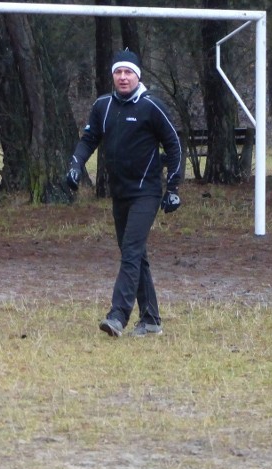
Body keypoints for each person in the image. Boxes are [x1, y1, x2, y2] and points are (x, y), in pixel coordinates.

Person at [65, 49, 182, 338]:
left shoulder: (151, 106)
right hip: (120, 193)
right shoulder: (103, 106)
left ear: (137, 76)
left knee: (130, 251)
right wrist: (76, 165)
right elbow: (89, 139)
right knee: (135, 254)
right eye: (118, 72)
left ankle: (117, 316)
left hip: (147, 192)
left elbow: (175, 145)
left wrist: (174, 187)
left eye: (128, 72)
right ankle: (152, 319)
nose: (123, 77)